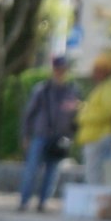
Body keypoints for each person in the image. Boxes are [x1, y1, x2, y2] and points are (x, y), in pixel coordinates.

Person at [16, 65, 73, 210]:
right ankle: (24, 201)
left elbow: (73, 116)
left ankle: (43, 202)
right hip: (40, 134)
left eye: (62, 70)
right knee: (32, 168)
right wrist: (26, 135)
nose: (60, 73)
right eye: (58, 69)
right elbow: (29, 113)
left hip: (60, 137)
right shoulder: (41, 90)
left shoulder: (71, 91)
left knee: (52, 171)